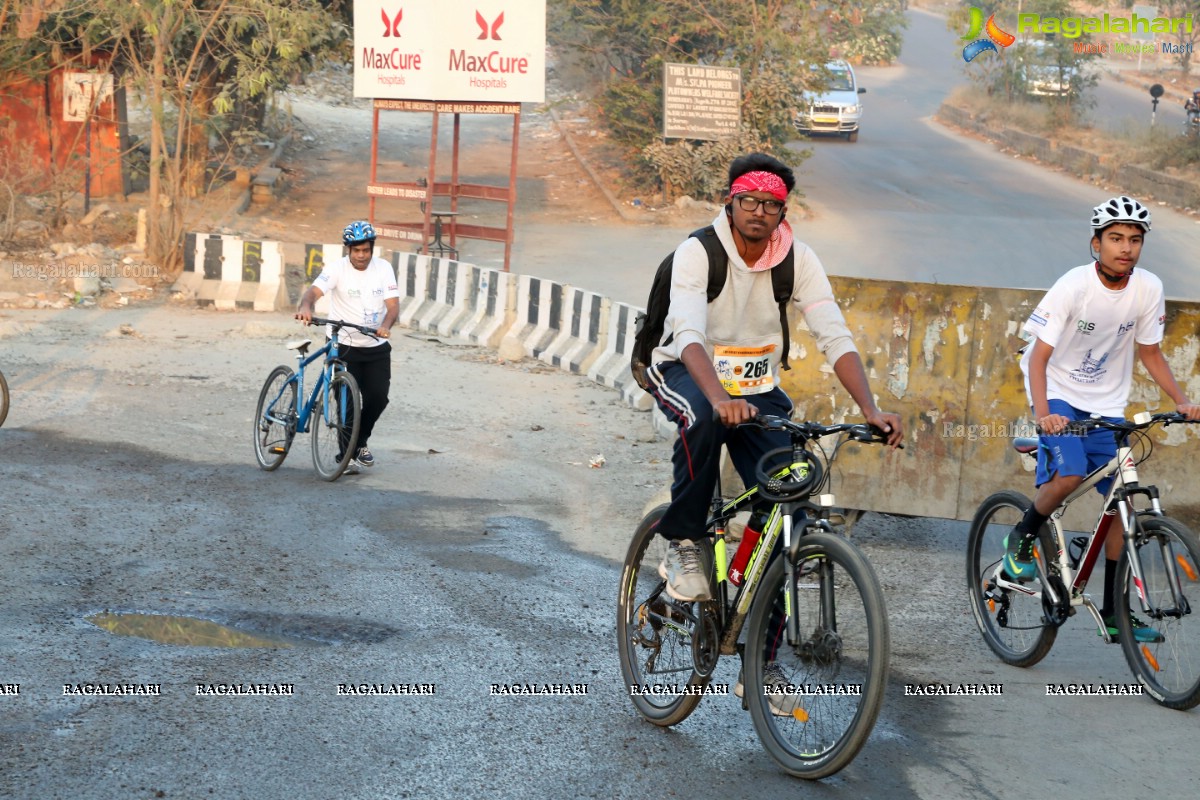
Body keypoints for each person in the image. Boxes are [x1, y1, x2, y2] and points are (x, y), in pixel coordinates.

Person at [644, 152, 903, 605]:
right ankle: (684, 542)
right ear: (730, 201)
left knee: (788, 497)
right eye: (749, 201)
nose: (759, 212)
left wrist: (870, 408)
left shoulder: (797, 259)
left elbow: (834, 334)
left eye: (771, 204)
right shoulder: (698, 252)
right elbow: (687, 333)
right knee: (703, 417)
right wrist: (719, 397)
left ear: (784, 211)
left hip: (756, 389)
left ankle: (760, 656)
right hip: (686, 370)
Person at [1008, 195, 1200, 642]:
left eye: (1135, 240)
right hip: (1056, 392)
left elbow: (1150, 351)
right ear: (1097, 243)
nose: (1126, 247)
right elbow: (1038, 359)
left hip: (1105, 404)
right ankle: (1022, 533)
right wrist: (1044, 415)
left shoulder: (1148, 288)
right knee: (1070, 472)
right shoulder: (1074, 286)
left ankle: (1115, 612)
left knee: (1123, 505)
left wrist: (1182, 399)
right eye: (1116, 238)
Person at [295, 220, 399, 472]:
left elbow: (393, 306)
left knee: (378, 398)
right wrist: (305, 306)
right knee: (347, 404)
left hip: (376, 344)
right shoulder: (337, 269)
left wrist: (386, 325)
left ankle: (358, 442)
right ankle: (346, 455)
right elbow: (313, 292)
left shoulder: (383, 268)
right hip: (343, 344)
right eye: (356, 251)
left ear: (372, 248)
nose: (361, 255)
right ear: (348, 250)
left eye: (365, 250)